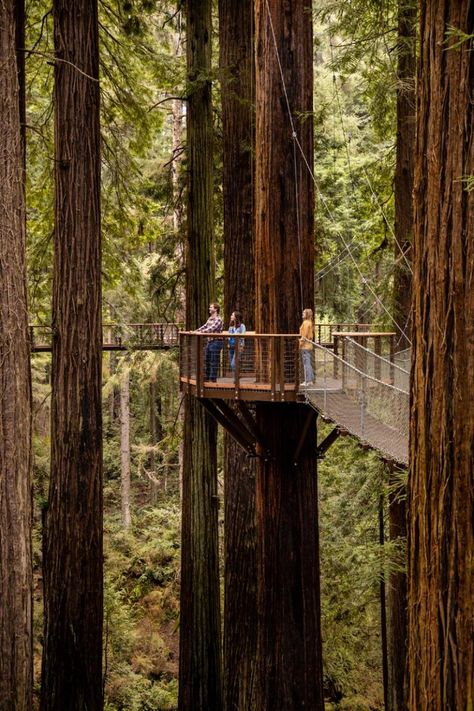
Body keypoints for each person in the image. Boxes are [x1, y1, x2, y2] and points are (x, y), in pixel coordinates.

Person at [196, 303, 223, 382]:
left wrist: (201, 333)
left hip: (217, 342)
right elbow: (205, 326)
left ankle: (213, 380)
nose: (209, 308)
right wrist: (196, 331)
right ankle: (207, 378)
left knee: (213, 361)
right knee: (207, 360)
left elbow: (211, 328)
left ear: (216, 309)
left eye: (211, 307)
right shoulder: (210, 318)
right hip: (210, 342)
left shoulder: (218, 319)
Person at [299, 308, 314, 386]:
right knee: (308, 363)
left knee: (306, 364)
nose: (302, 314)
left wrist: (300, 344)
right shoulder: (310, 322)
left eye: (303, 313)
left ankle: (307, 381)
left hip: (305, 346)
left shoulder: (305, 323)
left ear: (307, 315)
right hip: (309, 345)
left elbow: (304, 336)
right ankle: (310, 380)